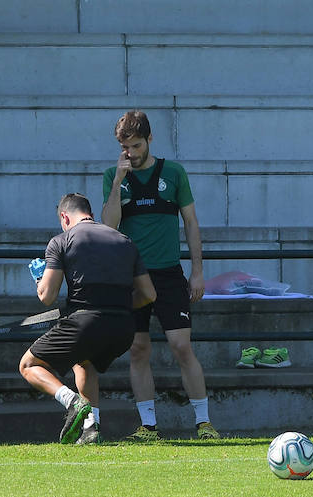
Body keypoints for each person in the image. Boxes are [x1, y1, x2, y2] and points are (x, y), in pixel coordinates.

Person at [99, 110, 217, 441]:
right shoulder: (113, 175)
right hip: (132, 275)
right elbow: (108, 226)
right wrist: (119, 183)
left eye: (136, 146)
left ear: (150, 140)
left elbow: (191, 223)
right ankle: (148, 426)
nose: (131, 154)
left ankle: (204, 423)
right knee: (138, 349)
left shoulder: (174, 173)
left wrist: (197, 272)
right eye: (125, 148)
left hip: (168, 274)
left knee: (181, 346)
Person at [20, 194, 155, 445]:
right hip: (124, 327)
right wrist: (116, 306)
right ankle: (91, 429)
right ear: (90, 213)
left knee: (28, 365)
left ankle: (73, 402)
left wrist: (40, 281)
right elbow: (149, 294)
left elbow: (47, 297)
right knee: (83, 363)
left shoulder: (61, 240)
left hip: (85, 323)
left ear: (64, 216)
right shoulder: (124, 240)